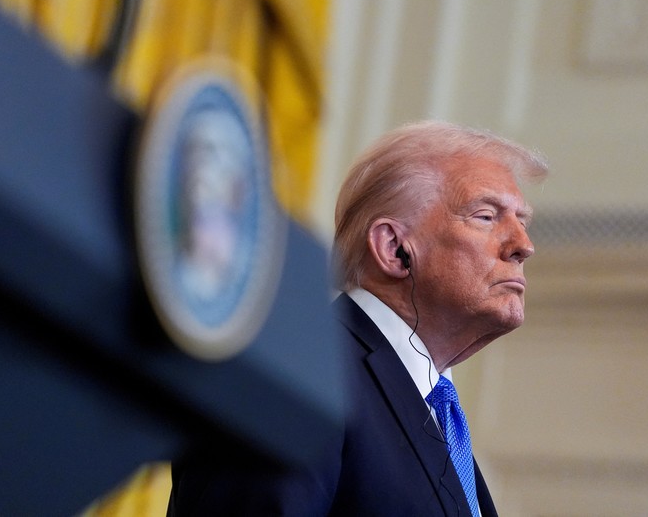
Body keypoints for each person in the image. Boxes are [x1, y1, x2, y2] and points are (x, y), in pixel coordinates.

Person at [167, 120, 549, 516]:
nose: (523, 246)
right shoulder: (302, 372)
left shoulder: (437, 410)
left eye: (522, 222)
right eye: (487, 216)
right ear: (394, 248)